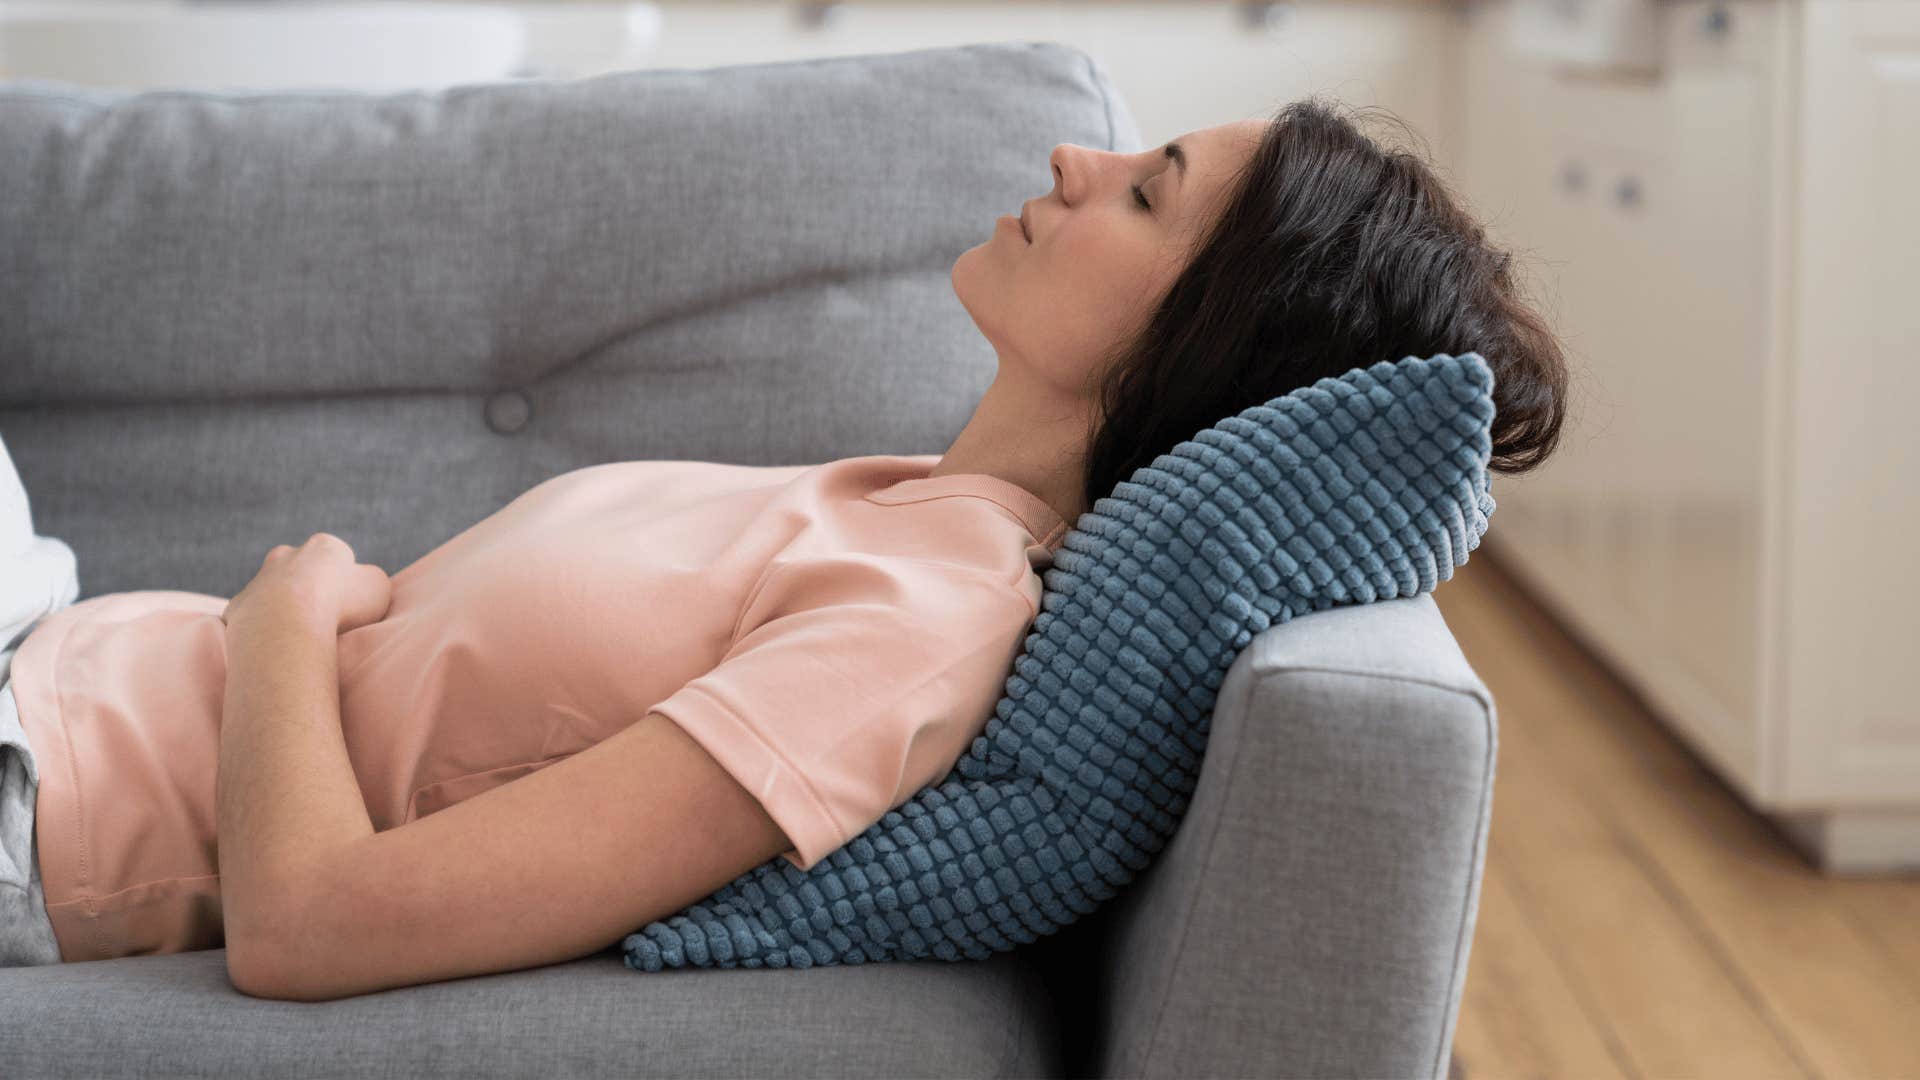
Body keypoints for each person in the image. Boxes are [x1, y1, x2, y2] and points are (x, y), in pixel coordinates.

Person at [1, 96, 1567, 974]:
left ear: (1208, 343)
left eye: (1145, 197)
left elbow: (310, 924)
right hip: (53, 641)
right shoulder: (895, 508)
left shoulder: (916, 631)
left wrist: (278, 621)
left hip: (43, 797)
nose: (1071, 162)